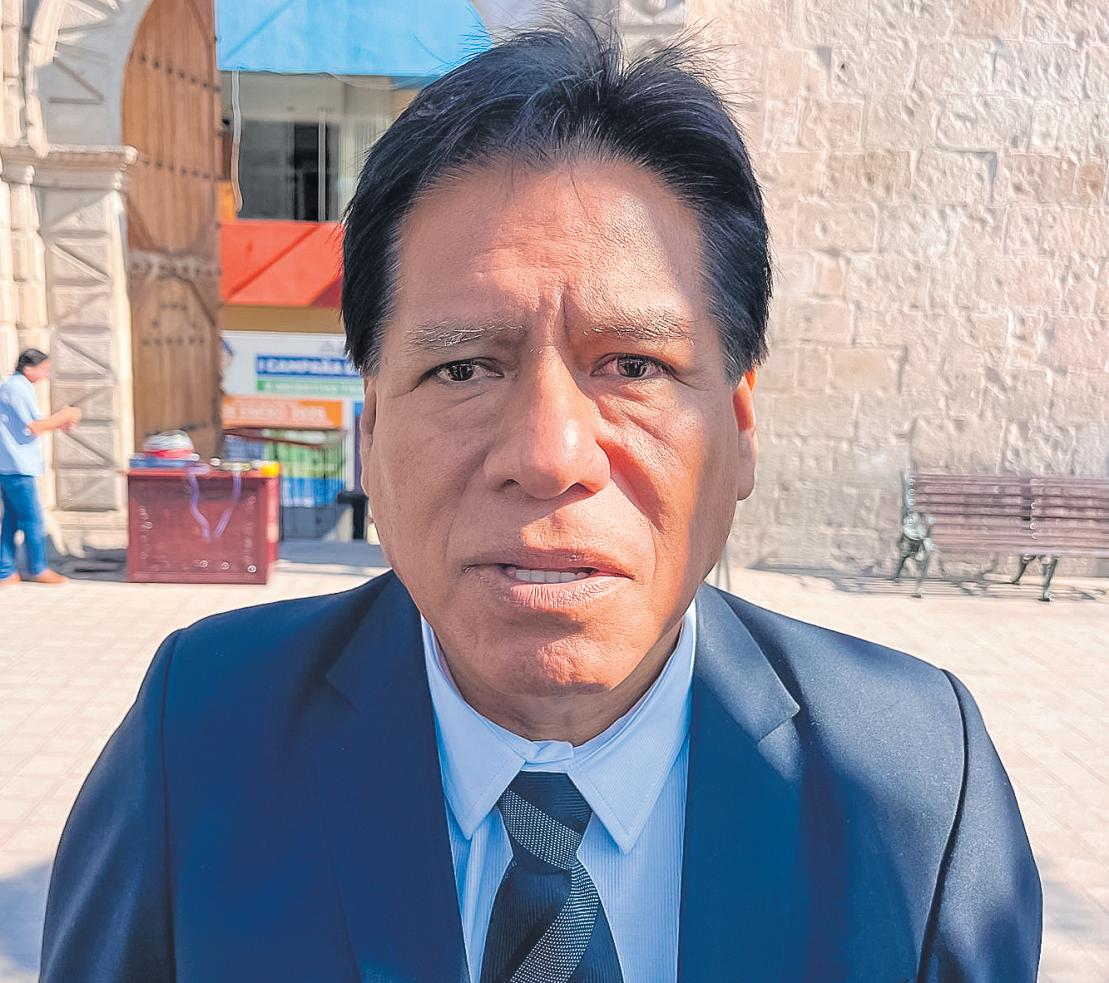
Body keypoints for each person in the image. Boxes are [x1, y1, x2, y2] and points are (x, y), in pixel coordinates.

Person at [40, 26, 1041, 983]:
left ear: (739, 426)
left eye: (634, 365)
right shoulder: (199, 741)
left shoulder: (914, 780)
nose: (548, 456)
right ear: (371, 427)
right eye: (463, 367)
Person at [0, 349, 81, 586]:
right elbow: (35, 427)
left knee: (12, 519)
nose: (46, 375)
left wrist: (60, 421)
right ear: (28, 368)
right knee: (33, 519)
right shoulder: (17, 387)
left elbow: (36, 424)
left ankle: (6, 571)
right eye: (43, 369)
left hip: (12, 465)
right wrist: (65, 414)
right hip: (17, 466)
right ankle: (38, 568)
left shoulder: (17, 387)